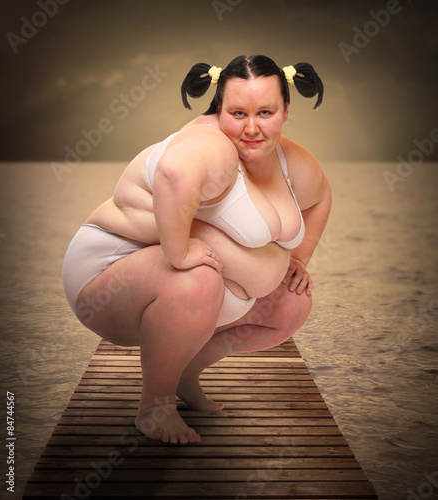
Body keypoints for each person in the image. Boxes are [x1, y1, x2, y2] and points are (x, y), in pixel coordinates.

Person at [62, 54, 331, 445]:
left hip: (188, 285)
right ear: (218, 108)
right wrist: (179, 253)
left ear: (286, 110)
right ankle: (155, 406)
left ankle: (186, 371)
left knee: (292, 302)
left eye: (266, 112)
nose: (252, 128)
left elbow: (321, 196)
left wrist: (299, 259)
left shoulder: (289, 158)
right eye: (238, 113)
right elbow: (174, 173)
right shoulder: (209, 146)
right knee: (197, 279)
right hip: (107, 276)